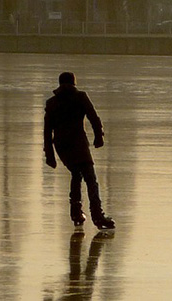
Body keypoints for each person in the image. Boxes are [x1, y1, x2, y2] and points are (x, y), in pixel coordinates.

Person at [43, 72, 115, 230]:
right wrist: (98, 136)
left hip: (62, 146)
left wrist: (50, 155)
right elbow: (93, 117)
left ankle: (76, 213)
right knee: (90, 178)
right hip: (78, 143)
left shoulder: (52, 103)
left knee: (76, 174)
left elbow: (47, 132)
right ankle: (97, 215)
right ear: (74, 83)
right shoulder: (80, 97)